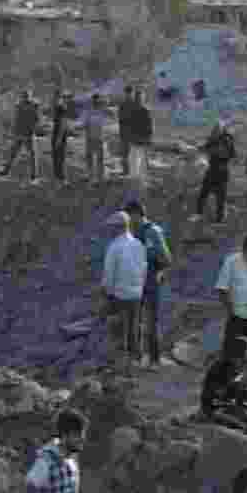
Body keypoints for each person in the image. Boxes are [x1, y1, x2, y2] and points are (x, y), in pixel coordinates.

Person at [124, 200, 172, 369]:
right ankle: (136, 358)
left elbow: (166, 258)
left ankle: (154, 359)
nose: (128, 221)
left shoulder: (153, 231)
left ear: (137, 214)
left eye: (130, 216)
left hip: (149, 280)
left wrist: (160, 273)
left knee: (151, 321)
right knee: (134, 321)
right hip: (134, 281)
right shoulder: (132, 232)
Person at [214, 233, 247, 384]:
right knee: (231, 353)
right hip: (237, 315)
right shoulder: (232, 261)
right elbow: (222, 288)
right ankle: (223, 384)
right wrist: (231, 311)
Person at [101, 210, 148, 371]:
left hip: (119, 294)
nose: (110, 230)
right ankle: (135, 360)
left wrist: (106, 294)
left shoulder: (114, 247)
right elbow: (144, 268)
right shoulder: (139, 244)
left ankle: (119, 365)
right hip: (136, 293)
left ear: (119, 227)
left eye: (113, 227)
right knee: (134, 327)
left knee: (117, 329)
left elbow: (109, 275)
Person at [199, 336, 247, 434]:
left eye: (246, 352)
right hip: (215, 407)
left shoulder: (241, 365)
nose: (243, 356)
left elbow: (245, 387)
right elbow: (220, 392)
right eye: (242, 353)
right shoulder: (220, 368)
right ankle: (205, 419)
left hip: (229, 404)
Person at [196, 122, 236, 223]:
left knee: (220, 197)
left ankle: (219, 219)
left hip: (221, 171)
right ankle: (199, 213)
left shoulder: (226, 140)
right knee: (203, 194)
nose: (215, 132)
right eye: (214, 130)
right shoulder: (213, 139)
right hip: (212, 170)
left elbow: (229, 154)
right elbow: (205, 148)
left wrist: (215, 151)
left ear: (221, 130)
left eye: (217, 130)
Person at [1, 89, 40, 180]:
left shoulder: (22, 106)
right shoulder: (30, 106)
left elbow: (17, 120)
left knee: (15, 154)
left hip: (23, 133)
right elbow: (35, 120)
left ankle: (6, 170)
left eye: (24, 96)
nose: (24, 98)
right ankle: (33, 175)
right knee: (29, 155)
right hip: (24, 133)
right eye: (24, 96)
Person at [127, 88, 153, 182]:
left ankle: (140, 179)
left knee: (140, 159)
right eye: (138, 98)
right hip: (137, 138)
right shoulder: (135, 110)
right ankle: (137, 178)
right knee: (136, 159)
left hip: (141, 138)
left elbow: (149, 126)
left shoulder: (144, 110)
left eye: (140, 98)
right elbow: (129, 125)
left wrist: (149, 137)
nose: (139, 99)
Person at [82, 94, 107, 183]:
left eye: (97, 101)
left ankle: (99, 176)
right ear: (93, 102)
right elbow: (85, 124)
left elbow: (103, 124)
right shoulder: (89, 112)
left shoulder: (101, 111)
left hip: (98, 137)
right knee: (90, 158)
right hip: (91, 137)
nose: (96, 102)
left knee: (99, 158)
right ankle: (91, 175)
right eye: (95, 101)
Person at [50, 89, 71, 183]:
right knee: (56, 156)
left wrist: (59, 138)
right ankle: (58, 177)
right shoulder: (60, 107)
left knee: (59, 157)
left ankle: (62, 177)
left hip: (59, 135)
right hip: (58, 134)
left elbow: (63, 124)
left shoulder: (60, 107)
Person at [117, 85, 135, 177]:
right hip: (126, 131)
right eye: (127, 93)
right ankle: (126, 170)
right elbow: (120, 118)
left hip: (129, 131)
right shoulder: (125, 104)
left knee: (128, 152)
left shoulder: (130, 104)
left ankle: (128, 171)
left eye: (129, 93)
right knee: (125, 152)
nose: (128, 95)